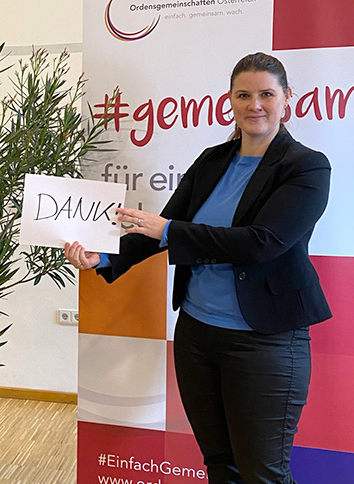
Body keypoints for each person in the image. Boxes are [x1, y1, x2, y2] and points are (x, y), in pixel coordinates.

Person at [65, 52, 331, 484]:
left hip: (266, 343)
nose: (254, 105)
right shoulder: (212, 160)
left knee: (263, 473)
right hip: (197, 336)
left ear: (287, 98)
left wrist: (170, 229)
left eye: (266, 94)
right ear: (230, 100)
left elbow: (263, 242)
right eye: (243, 95)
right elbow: (162, 229)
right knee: (220, 466)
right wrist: (105, 256)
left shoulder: (306, 166)